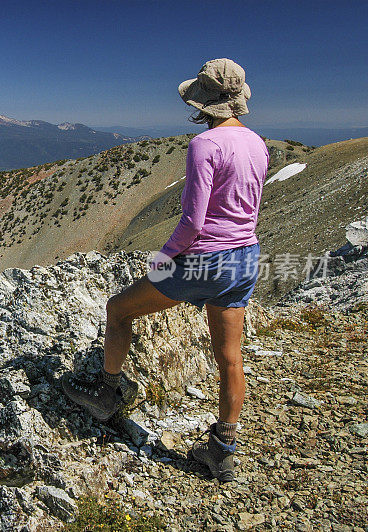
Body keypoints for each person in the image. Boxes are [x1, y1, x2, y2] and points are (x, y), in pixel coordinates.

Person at [62, 58, 269, 483]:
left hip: (204, 260)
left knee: (119, 309)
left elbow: (193, 222)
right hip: (245, 256)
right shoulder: (258, 144)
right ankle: (222, 450)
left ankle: (105, 394)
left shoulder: (205, 146)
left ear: (203, 102)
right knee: (230, 358)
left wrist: (164, 258)